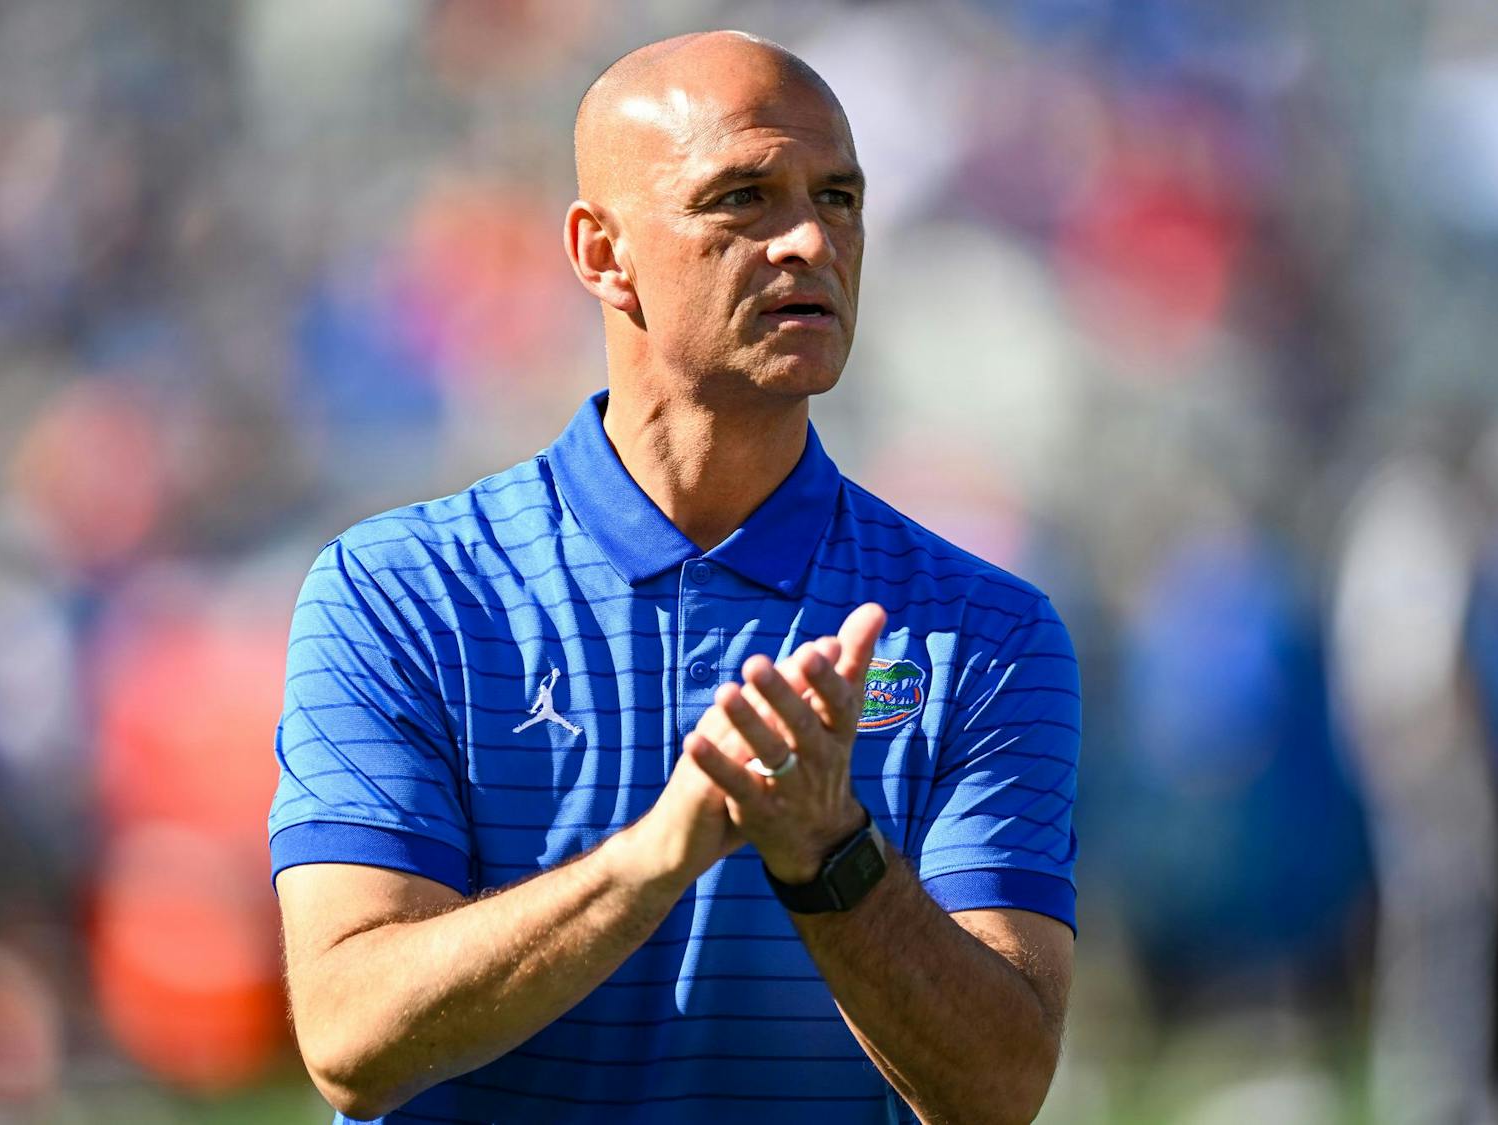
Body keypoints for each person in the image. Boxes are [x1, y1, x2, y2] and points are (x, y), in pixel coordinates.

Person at [269, 30, 1080, 1125]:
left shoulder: (983, 632)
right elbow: (349, 1037)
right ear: (602, 254)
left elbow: (998, 1090)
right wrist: (661, 854)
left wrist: (830, 853)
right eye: (743, 196)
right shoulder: (401, 594)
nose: (809, 238)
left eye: (837, 197)